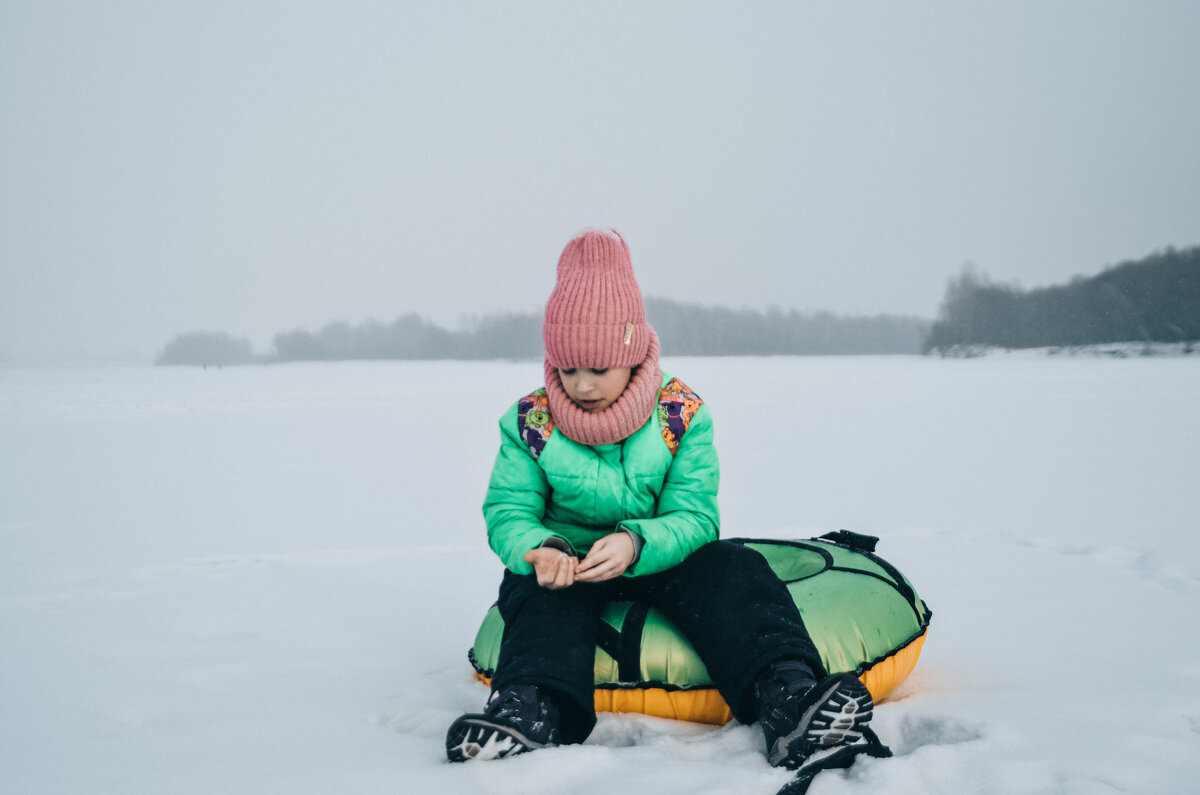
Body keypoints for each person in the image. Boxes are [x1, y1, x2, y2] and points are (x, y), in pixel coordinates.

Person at [445, 228, 874, 769]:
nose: (581, 385)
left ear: (631, 353)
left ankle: (788, 697)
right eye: (567, 369)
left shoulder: (681, 413)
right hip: (567, 562)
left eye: (597, 368)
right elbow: (508, 509)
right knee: (537, 599)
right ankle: (529, 712)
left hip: (660, 554)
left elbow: (695, 515)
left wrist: (635, 542)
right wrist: (539, 548)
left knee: (733, 568)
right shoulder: (528, 421)